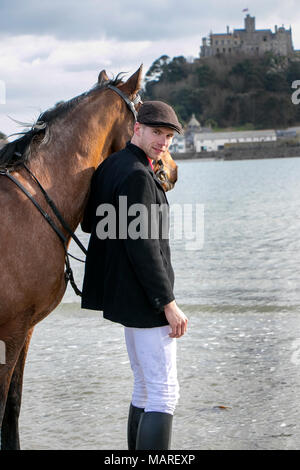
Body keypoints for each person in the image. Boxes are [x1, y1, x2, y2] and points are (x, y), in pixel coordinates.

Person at [81, 100, 188, 450]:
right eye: (157, 132)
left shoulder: (111, 166)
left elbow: (89, 223)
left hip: (125, 294)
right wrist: (167, 304)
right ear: (136, 128)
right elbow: (143, 247)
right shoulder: (138, 176)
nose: (163, 142)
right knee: (164, 392)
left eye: (169, 136)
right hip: (145, 298)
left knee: (144, 385)